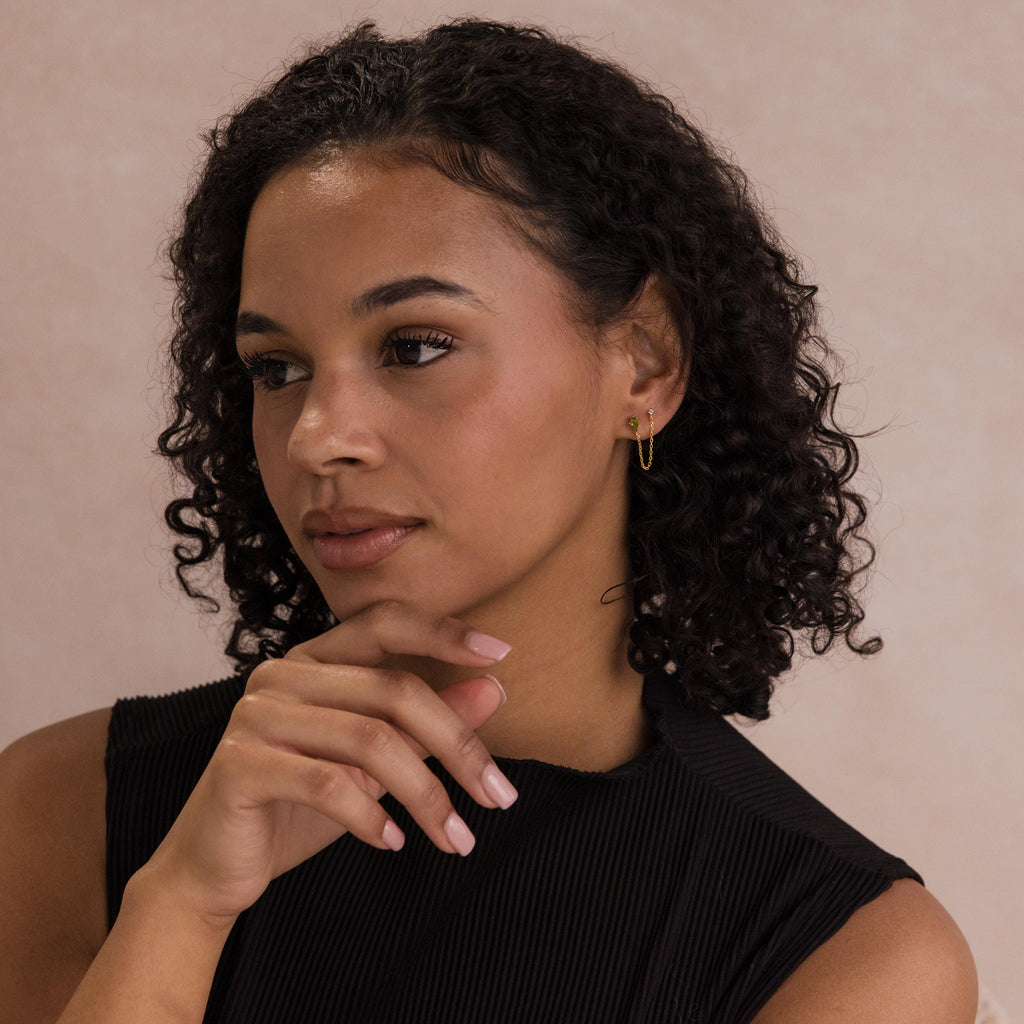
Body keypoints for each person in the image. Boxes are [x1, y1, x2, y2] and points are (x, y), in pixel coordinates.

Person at [0, 18, 977, 1024]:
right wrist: (180, 905)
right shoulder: (66, 810)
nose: (317, 437)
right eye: (277, 369)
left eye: (415, 347)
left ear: (642, 365)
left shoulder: (839, 954)